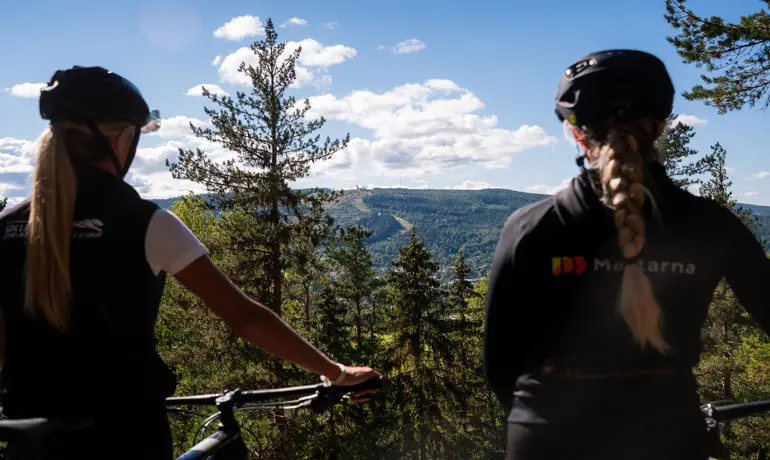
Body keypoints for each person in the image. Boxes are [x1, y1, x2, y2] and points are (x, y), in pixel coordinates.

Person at [0, 66, 381, 460]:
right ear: (121, 139)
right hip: (125, 436)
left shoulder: (6, 227)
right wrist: (336, 372)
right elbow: (243, 316)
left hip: (29, 440)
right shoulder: (145, 223)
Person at [482, 49, 770, 460]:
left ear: (577, 133)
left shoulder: (531, 228)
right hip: (667, 436)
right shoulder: (711, 227)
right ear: (659, 127)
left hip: (547, 439)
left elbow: (500, 364)